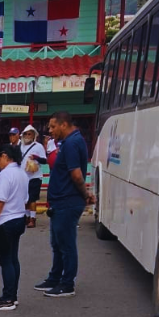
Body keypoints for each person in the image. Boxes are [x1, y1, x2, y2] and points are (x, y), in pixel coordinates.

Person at [34, 111, 95, 298]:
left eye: (53, 127)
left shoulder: (71, 143)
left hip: (67, 201)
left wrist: (86, 195)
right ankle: (55, 278)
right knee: (57, 243)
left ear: (64, 124)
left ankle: (67, 284)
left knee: (66, 244)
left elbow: (76, 175)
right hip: (60, 201)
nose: (50, 131)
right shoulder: (70, 142)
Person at [0, 143, 29, 311]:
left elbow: (0, 201)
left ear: (5, 156)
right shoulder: (21, 173)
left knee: (5, 260)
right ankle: (12, 295)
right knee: (12, 258)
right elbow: (25, 197)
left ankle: (8, 298)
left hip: (6, 221)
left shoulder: (6, 174)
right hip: (18, 218)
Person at [19, 125, 47, 228]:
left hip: (35, 176)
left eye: (29, 134)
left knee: (32, 199)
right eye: (25, 134)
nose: (27, 135)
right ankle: (26, 217)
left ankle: (32, 219)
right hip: (23, 177)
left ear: (34, 135)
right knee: (25, 199)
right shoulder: (20, 146)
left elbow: (44, 161)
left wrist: (35, 157)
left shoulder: (38, 146)